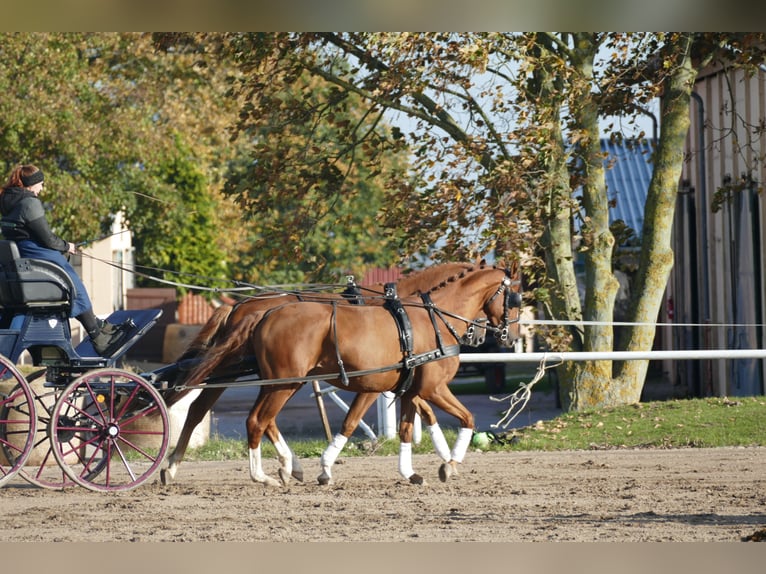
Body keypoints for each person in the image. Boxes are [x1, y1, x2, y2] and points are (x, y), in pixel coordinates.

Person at [0, 164, 130, 356]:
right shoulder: (29, 203)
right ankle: (97, 336)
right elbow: (47, 238)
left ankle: (98, 325)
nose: (42, 189)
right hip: (37, 254)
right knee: (74, 285)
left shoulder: (8, 201)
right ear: (31, 184)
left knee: (72, 281)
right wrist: (67, 246)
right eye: (41, 184)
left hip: (24, 254)